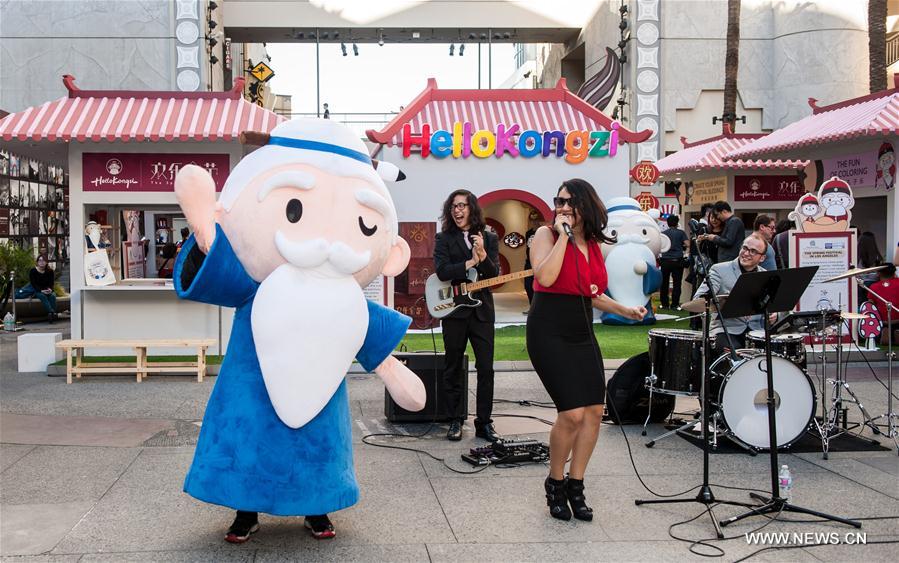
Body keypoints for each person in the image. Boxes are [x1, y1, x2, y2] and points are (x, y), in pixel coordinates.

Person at [526, 179, 646, 522]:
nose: (562, 206)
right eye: (558, 200)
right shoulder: (546, 236)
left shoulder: (593, 244)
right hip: (548, 330)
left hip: (581, 331)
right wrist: (563, 235)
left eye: (569, 201)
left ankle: (576, 485)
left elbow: (592, 292)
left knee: (594, 410)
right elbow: (546, 278)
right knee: (571, 413)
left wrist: (626, 309)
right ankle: (555, 482)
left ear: (585, 205)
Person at [434, 189, 501, 442]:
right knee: (453, 367)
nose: (457, 210)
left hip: (482, 312)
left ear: (472, 208)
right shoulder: (443, 239)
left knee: (486, 369)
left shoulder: (489, 237)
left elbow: (493, 276)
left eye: (462, 205)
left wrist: (482, 256)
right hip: (455, 313)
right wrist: (469, 263)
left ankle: (484, 423)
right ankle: (454, 420)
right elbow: (441, 272)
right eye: (453, 207)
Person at [693, 234, 776, 355]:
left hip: (756, 332)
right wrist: (724, 300)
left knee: (778, 354)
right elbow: (698, 300)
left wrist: (774, 315)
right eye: (745, 248)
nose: (746, 253)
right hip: (725, 330)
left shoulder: (766, 276)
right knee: (735, 355)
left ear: (762, 258)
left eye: (753, 251)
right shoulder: (719, 270)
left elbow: (773, 305)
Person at [659, 214, 688, 310]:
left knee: (664, 283)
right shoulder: (681, 233)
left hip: (665, 261)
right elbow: (688, 244)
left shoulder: (663, 234)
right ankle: (675, 304)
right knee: (677, 283)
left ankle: (664, 304)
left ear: (667, 223)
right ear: (677, 223)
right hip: (677, 261)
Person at [869, 264, 899, 343]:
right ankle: (896, 330)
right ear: (894, 272)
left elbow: (871, 306)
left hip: (882, 321)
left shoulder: (873, 286)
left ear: (879, 273)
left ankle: (885, 330)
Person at [25, 254, 57, 322]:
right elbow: (34, 284)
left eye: (43, 260)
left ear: (46, 262)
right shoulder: (33, 271)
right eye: (40, 260)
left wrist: (50, 289)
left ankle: (51, 314)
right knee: (42, 296)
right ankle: (52, 312)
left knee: (53, 296)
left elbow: (51, 283)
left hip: (47, 290)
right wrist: (41, 291)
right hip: (37, 290)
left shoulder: (50, 271)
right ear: (37, 262)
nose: (41, 262)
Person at [857, 231, 884, 302]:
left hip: (860, 283)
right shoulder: (877, 256)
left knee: (861, 305)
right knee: (872, 306)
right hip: (874, 284)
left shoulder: (857, 255)